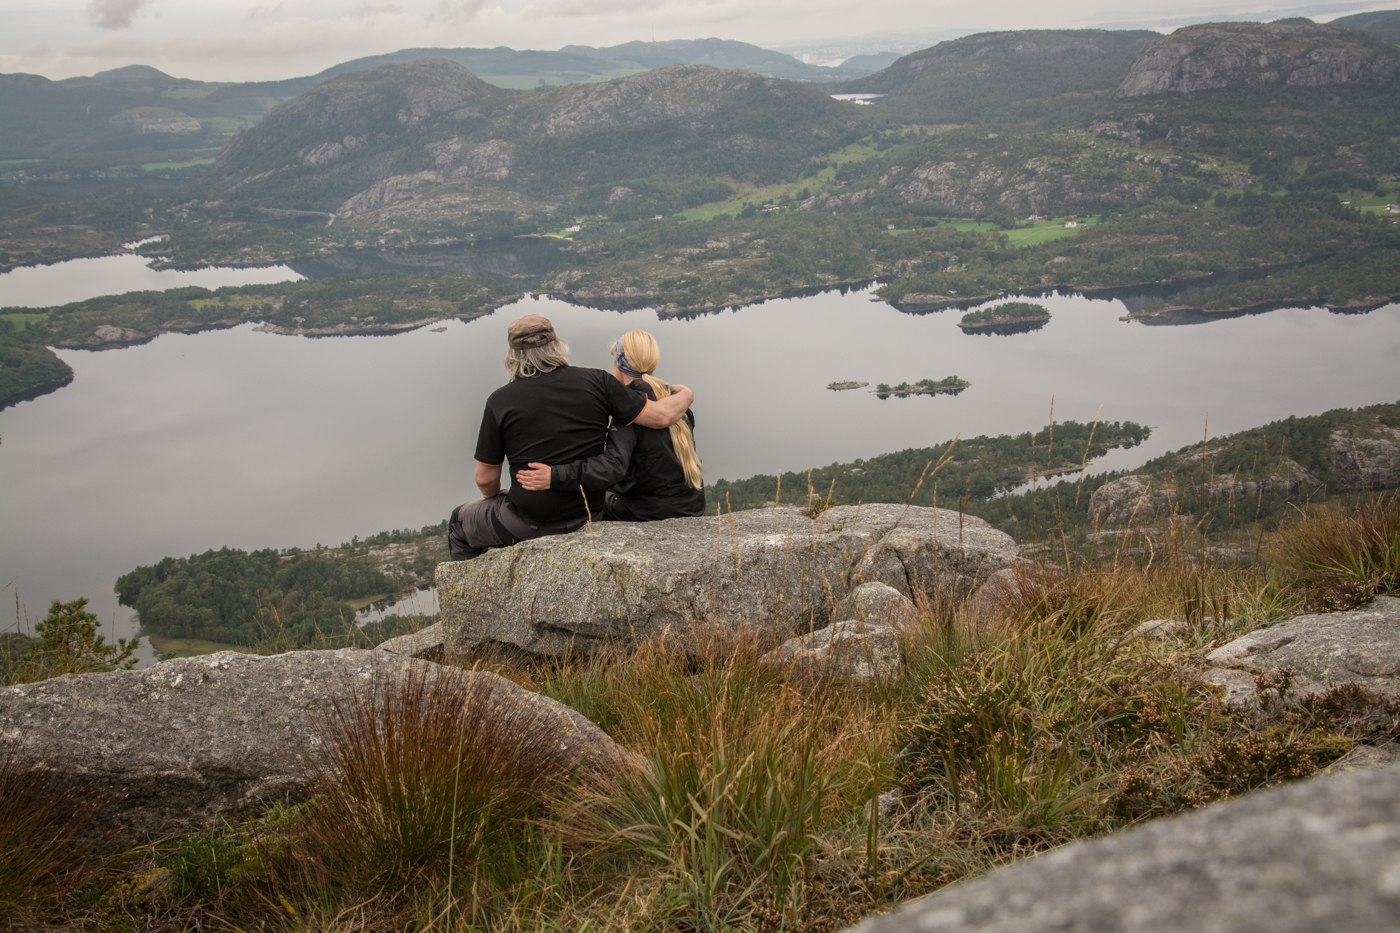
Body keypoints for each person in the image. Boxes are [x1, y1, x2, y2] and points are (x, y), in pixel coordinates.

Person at [447, 314, 694, 560]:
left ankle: (480, 581)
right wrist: (686, 394)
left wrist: (494, 500)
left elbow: (485, 480)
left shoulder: (499, 401)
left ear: (513, 356)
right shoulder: (599, 381)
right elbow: (661, 415)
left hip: (530, 522)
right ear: (557, 346)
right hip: (590, 513)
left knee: (459, 522)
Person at [515, 330, 706, 522]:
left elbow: (611, 468)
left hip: (649, 510)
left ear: (618, 364)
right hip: (691, 504)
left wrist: (555, 476)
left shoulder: (632, 409)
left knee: (584, 501)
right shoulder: (674, 401)